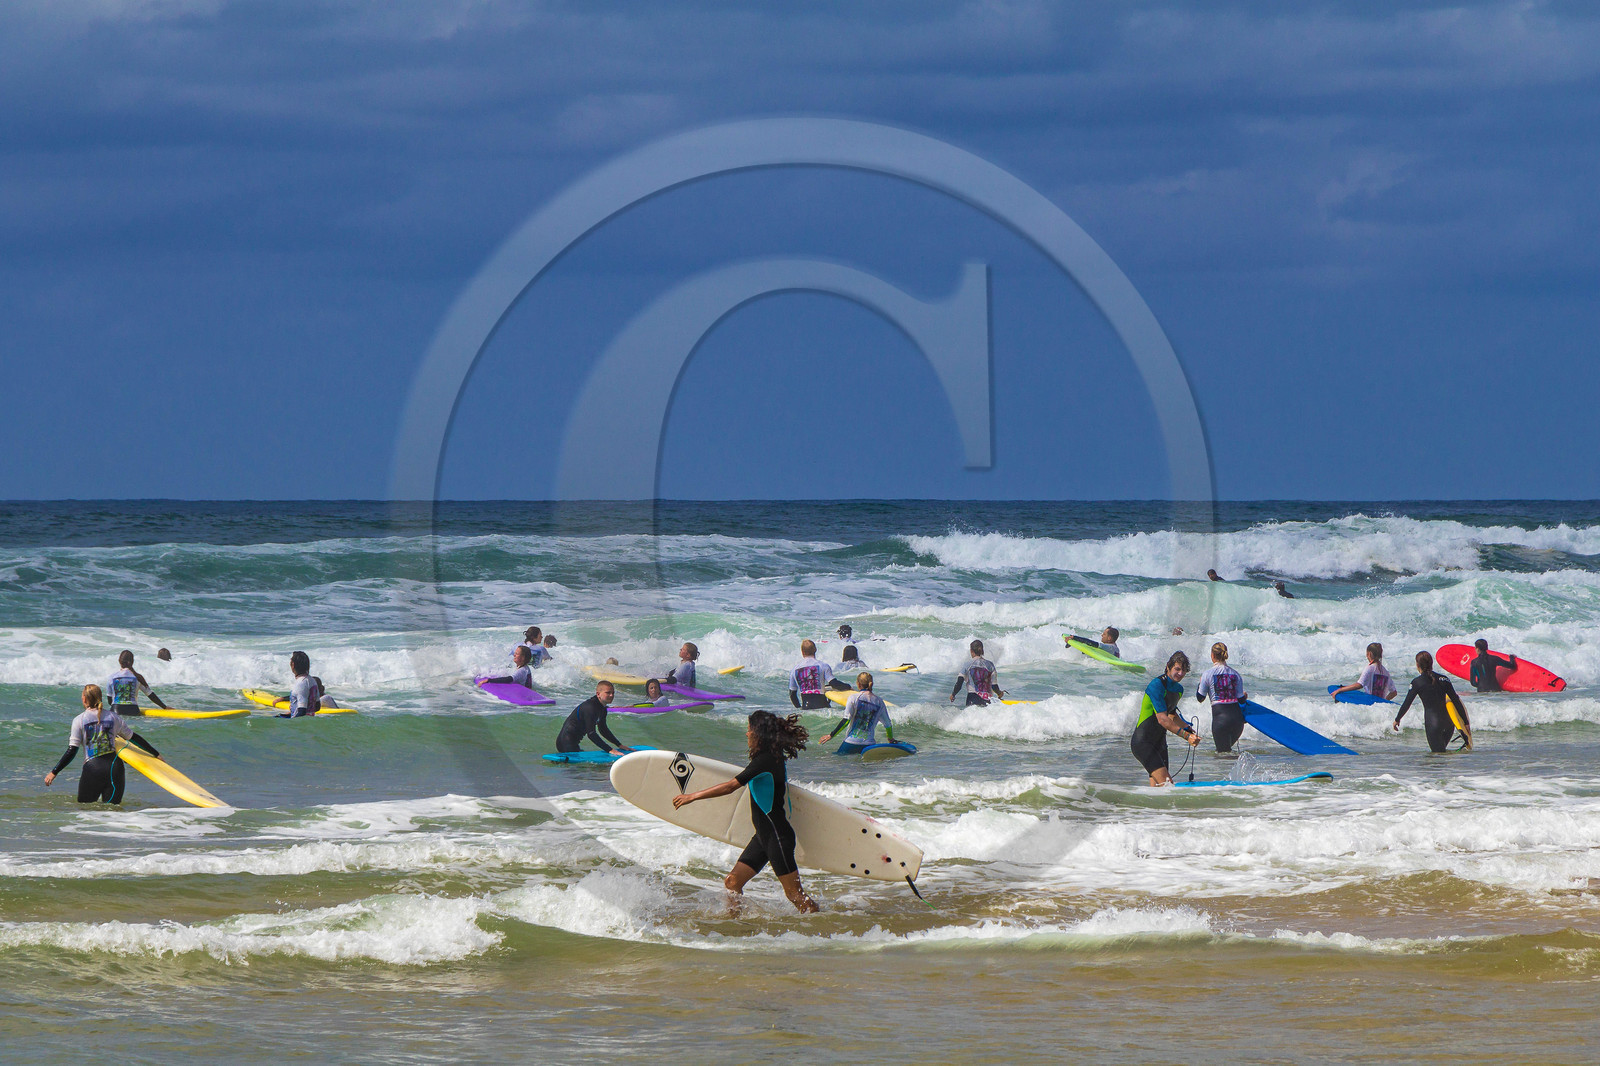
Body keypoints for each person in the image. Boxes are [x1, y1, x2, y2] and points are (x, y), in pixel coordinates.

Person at [672, 710, 818, 913]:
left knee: (795, 895)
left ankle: (821, 922)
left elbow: (731, 786)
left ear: (759, 733)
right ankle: (736, 923)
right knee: (732, 882)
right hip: (764, 837)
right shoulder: (770, 758)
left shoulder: (766, 761)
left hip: (776, 836)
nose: (747, 733)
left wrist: (692, 796)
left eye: (749, 729)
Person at [44, 684, 161, 804]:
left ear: (84, 699)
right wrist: (155, 754)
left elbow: (72, 750)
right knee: (112, 812)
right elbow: (134, 738)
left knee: (85, 810)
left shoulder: (79, 720)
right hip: (115, 769)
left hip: (93, 769)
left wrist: (54, 772)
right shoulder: (114, 717)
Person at [1132, 651, 1199, 785]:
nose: (1180, 673)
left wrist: (1187, 728)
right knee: (1167, 785)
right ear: (1168, 667)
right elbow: (1162, 719)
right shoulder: (1156, 685)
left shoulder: (1179, 689)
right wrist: (1186, 736)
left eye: (1184, 670)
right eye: (1177, 669)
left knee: (1159, 790)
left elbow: (1171, 715)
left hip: (1160, 743)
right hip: (1143, 742)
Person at [1393, 650, 1469, 753]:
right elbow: (1456, 701)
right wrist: (1465, 722)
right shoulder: (1444, 679)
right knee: (1441, 755)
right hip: (1449, 724)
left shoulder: (1417, 682)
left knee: (1437, 756)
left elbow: (1407, 703)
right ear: (1432, 663)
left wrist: (1397, 719)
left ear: (1417, 665)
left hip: (1433, 724)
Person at [818, 673, 895, 753]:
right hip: (869, 745)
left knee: (836, 757)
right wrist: (890, 738)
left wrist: (831, 735)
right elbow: (888, 724)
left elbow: (846, 721)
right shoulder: (880, 701)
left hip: (851, 743)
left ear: (858, 684)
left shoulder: (853, 698)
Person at [1194, 642, 1248, 754]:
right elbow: (1241, 700)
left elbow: (1200, 698)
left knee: (1222, 755)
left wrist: (1200, 684)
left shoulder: (1207, 674)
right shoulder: (1235, 674)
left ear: (1212, 655)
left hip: (1221, 721)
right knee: (1228, 754)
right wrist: (1245, 696)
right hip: (1237, 721)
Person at [555, 681, 631, 755]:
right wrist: (610, 750)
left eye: (613, 693)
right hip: (565, 742)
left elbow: (603, 729)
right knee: (580, 763)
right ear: (598, 694)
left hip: (572, 742)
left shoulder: (602, 708)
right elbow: (591, 734)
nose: (611, 695)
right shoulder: (590, 708)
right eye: (608, 693)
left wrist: (619, 745)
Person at [1331, 643, 1396, 701]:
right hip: (1379, 707)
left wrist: (1340, 690)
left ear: (1369, 654)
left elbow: (1359, 685)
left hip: (1370, 704)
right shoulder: (1386, 672)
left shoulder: (1370, 668)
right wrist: (1384, 701)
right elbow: (1394, 692)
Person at [280, 650, 335, 718]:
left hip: (298, 721)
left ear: (293, 665)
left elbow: (302, 711)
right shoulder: (312, 680)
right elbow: (317, 707)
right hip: (309, 719)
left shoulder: (301, 683)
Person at [950, 639, 1004, 706]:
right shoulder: (990, 665)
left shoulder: (967, 665)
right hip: (987, 700)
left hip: (972, 699)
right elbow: (994, 686)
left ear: (971, 651)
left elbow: (959, 683)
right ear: (982, 650)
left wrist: (953, 694)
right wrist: (999, 693)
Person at [788, 640, 834, 709]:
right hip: (823, 706)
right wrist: (847, 687)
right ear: (815, 649)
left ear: (802, 652)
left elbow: (792, 694)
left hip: (806, 707)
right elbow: (834, 683)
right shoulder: (823, 666)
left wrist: (799, 708)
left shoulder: (794, 670)